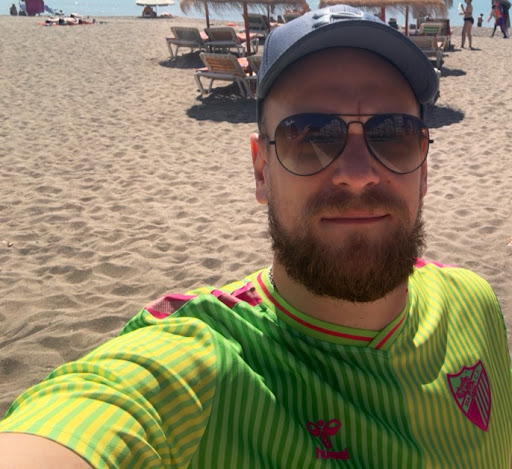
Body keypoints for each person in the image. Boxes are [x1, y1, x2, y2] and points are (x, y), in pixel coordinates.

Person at [1, 4, 512, 467]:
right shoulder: (205, 363)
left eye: (392, 134)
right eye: (310, 135)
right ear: (261, 170)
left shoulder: (474, 303)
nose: (358, 174)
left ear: (424, 167)